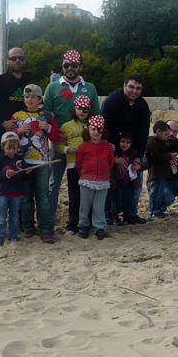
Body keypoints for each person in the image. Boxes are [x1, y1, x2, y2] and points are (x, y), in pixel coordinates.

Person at [0, 47, 34, 235]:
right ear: (8, 61)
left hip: (24, 140)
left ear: (25, 61)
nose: (18, 61)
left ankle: (17, 224)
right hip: (1, 139)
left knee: (19, 180)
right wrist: (2, 122)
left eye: (21, 58)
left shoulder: (29, 82)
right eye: (14, 58)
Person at [43, 50, 101, 228]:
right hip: (59, 144)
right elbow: (45, 114)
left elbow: (97, 114)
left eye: (73, 65)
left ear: (80, 67)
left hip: (85, 147)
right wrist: (53, 132)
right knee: (54, 183)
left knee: (84, 184)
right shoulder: (53, 87)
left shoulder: (90, 88)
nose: (70, 68)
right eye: (66, 65)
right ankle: (48, 220)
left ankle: (80, 220)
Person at [14, 84, 60, 244]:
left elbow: (55, 137)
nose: (29, 100)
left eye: (33, 97)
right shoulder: (17, 115)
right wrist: (18, 131)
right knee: (26, 197)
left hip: (42, 163)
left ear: (40, 99)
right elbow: (9, 139)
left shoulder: (47, 115)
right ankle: (27, 226)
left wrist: (47, 127)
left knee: (43, 196)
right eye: (27, 97)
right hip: (24, 162)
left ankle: (45, 227)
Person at [101, 73, 150, 221]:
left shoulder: (142, 105)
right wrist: (114, 156)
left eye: (138, 88)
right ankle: (108, 215)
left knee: (135, 184)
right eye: (131, 87)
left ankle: (131, 214)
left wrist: (136, 157)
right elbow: (106, 130)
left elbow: (143, 133)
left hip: (133, 149)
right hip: (113, 149)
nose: (134, 91)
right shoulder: (111, 102)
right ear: (124, 86)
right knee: (111, 184)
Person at [55, 95, 92, 236]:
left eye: (85, 109)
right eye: (79, 108)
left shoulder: (93, 125)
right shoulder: (66, 126)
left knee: (89, 197)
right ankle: (72, 225)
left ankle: (88, 223)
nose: (82, 111)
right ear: (74, 109)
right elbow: (59, 145)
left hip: (90, 167)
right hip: (73, 166)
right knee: (74, 196)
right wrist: (67, 150)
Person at [76, 115, 114, 240]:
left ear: (103, 130)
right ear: (88, 130)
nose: (96, 132)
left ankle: (99, 227)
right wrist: (84, 174)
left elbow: (110, 162)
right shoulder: (83, 146)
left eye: (99, 129)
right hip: (87, 179)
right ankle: (83, 225)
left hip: (102, 180)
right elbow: (79, 162)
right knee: (85, 205)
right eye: (93, 129)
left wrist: (105, 174)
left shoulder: (107, 146)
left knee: (99, 205)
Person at [0, 132, 31, 246]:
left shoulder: (20, 159)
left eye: (14, 148)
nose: (11, 151)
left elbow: (23, 177)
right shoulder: (0, 160)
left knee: (14, 216)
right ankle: (0, 235)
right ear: (3, 147)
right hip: (3, 193)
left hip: (16, 193)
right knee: (1, 216)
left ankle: (13, 235)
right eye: (8, 148)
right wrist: (6, 174)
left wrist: (27, 172)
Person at [109, 131, 143, 225]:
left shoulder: (133, 154)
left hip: (128, 181)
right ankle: (115, 217)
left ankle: (127, 216)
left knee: (128, 199)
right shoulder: (114, 153)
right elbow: (107, 164)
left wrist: (139, 166)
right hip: (116, 181)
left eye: (127, 142)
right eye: (122, 142)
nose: (125, 144)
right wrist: (114, 162)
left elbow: (143, 164)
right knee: (116, 200)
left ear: (131, 144)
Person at [144, 121, 173, 219]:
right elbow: (155, 157)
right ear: (158, 131)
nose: (166, 137)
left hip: (161, 173)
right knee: (155, 193)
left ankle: (158, 210)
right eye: (165, 134)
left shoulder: (160, 142)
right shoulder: (152, 143)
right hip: (156, 173)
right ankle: (153, 211)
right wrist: (170, 156)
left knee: (159, 193)